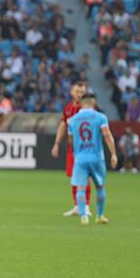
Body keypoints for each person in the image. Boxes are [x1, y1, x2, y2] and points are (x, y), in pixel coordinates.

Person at [66, 93, 118, 225]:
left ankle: (83, 216)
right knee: (100, 187)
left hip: (80, 159)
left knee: (81, 188)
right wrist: (113, 154)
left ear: (81, 104)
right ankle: (100, 215)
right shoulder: (100, 117)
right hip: (96, 157)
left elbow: (70, 141)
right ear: (93, 103)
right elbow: (106, 134)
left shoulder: (72, 120)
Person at [51, 80, 91, 217]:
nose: (79, 94)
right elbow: (63, 126)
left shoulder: (86, 109)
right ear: (71, 92)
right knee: (74, 177)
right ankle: (77, 205)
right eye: (77, 91)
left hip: (85, 148)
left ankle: (86, 206)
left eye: (82, 92)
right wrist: (57, 143)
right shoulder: (68, 108)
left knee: (85, 176)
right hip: (71, 149)